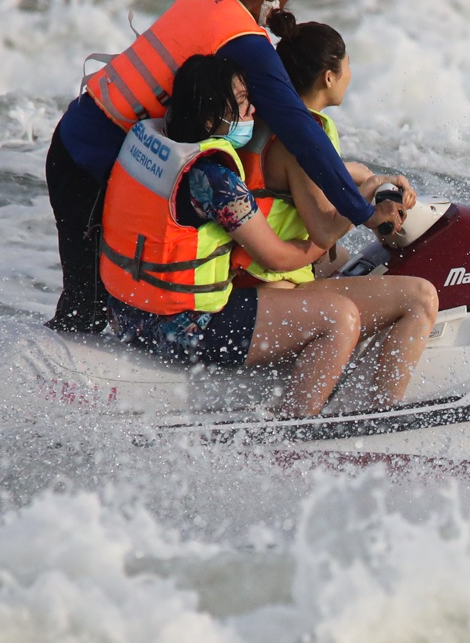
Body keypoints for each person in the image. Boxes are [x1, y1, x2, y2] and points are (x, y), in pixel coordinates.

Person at [44, 0, 407, 333]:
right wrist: (361, 211)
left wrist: (357, 178)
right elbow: (304, 135)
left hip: (75, 137)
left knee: (88, 300)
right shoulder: (245, 43)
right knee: (86, 306)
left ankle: (79, 370)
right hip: (89, 164)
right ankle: (61, 387)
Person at [103, 55, 391, 418]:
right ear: (210, 118)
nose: (254, 107)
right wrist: (336, 223)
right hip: (181, 327)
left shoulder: (150, 139)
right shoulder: (215, 180)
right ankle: (295, 431)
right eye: (241, 102)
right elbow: (280, 258)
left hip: (125, 310)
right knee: (339, 317)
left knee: (335, 267)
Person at [240, 15, 438, 408]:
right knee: (421, 297)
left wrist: (370, 176)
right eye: (347, 65)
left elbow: (309, 183)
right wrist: (364, 196)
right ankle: (379, 414)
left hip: (257, 269)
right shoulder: (301, 138)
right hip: (269, 285)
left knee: (353, 260)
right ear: (329, 77)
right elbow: (323, 232)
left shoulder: (277, 117)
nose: (351, 74)